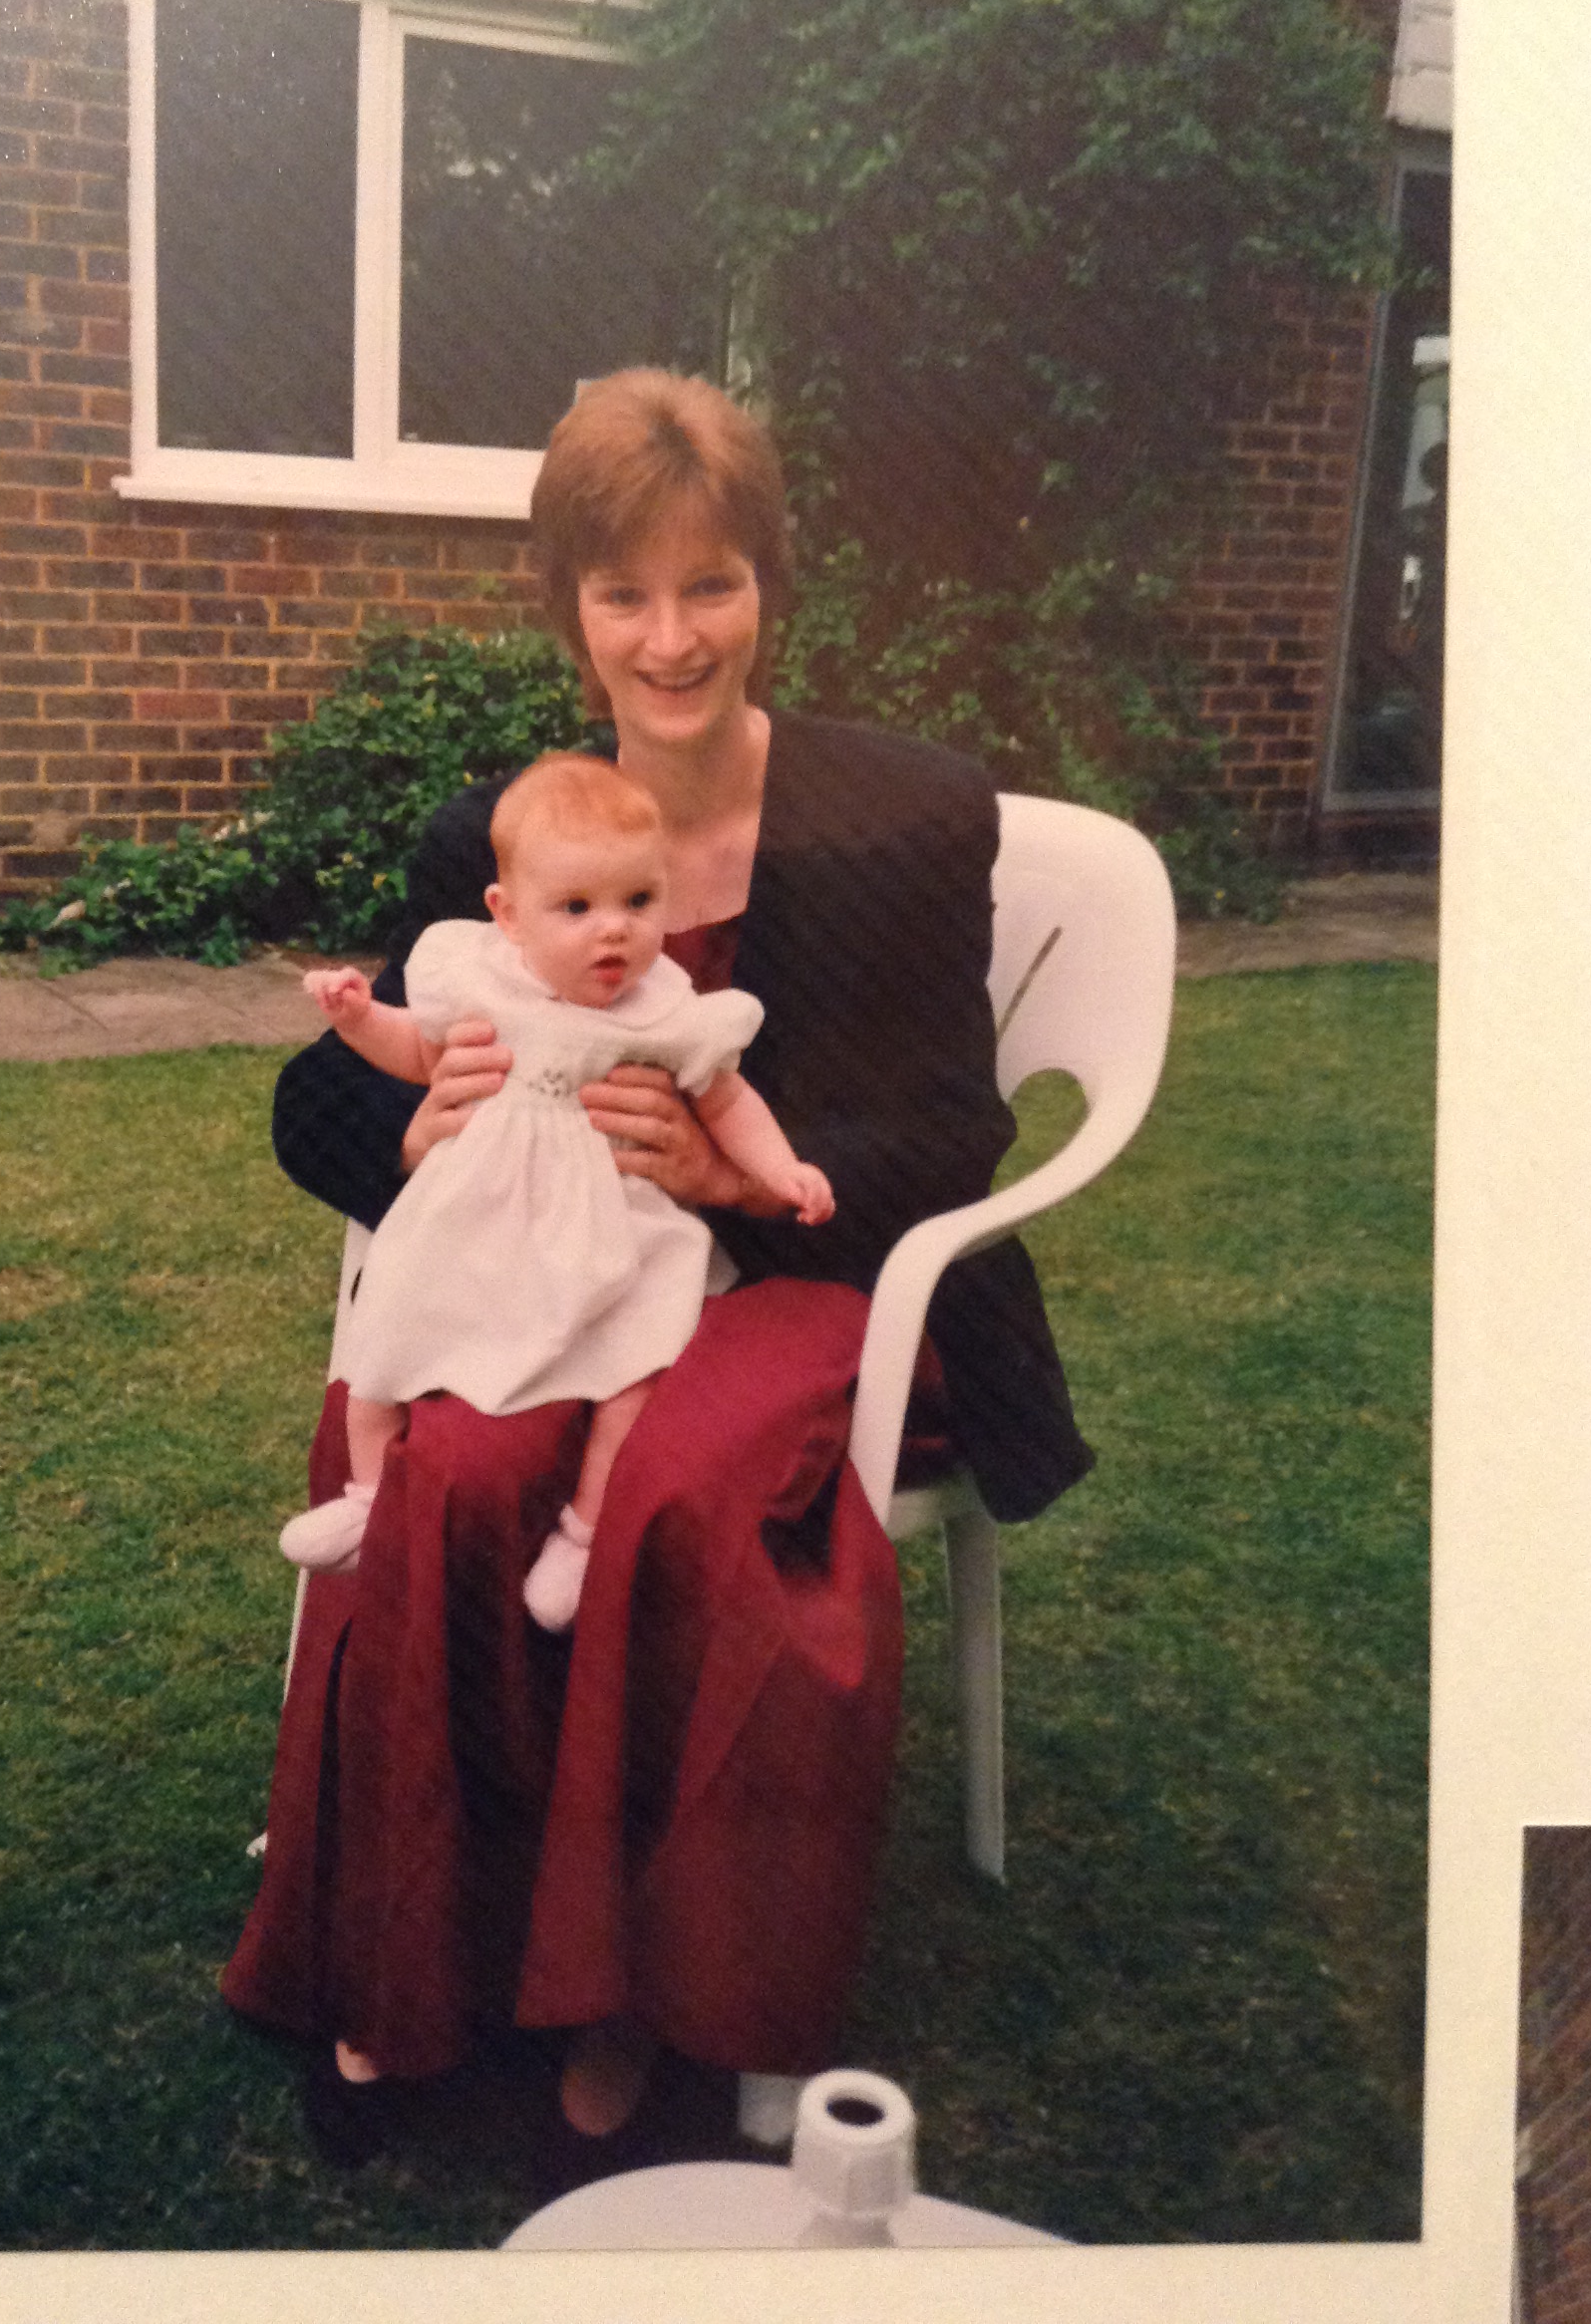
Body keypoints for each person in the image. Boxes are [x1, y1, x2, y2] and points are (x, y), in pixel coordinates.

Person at [222, 369, 1092, 2154]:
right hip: (571, 1275)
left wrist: (728, 1171)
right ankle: (425, 1962)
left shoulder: (906, 814)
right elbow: (322, 1100)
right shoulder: (507, 836)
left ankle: (643, 1994)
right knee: (462, 1461)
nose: (672, 638)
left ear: (771, 586)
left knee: (681, 1488)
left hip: (820, 1278)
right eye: (625, 592)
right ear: (570, 608)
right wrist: (420, 1121)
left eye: (712, 585)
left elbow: (949, 1129)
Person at [278, 750, 833, 1631]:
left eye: (638, 902)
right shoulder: (480, 979)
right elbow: (417, 1053)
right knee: (389, 1319)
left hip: (615, 1227)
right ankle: (370, 1496)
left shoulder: (667, 1010)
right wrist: (358, 1017)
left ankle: (583, 1530)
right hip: (487, 1222)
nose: (613, 933)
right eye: (576, 908)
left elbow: (729, 1101)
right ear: (508, 916)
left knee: (637, 1366)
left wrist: (775, 1171)